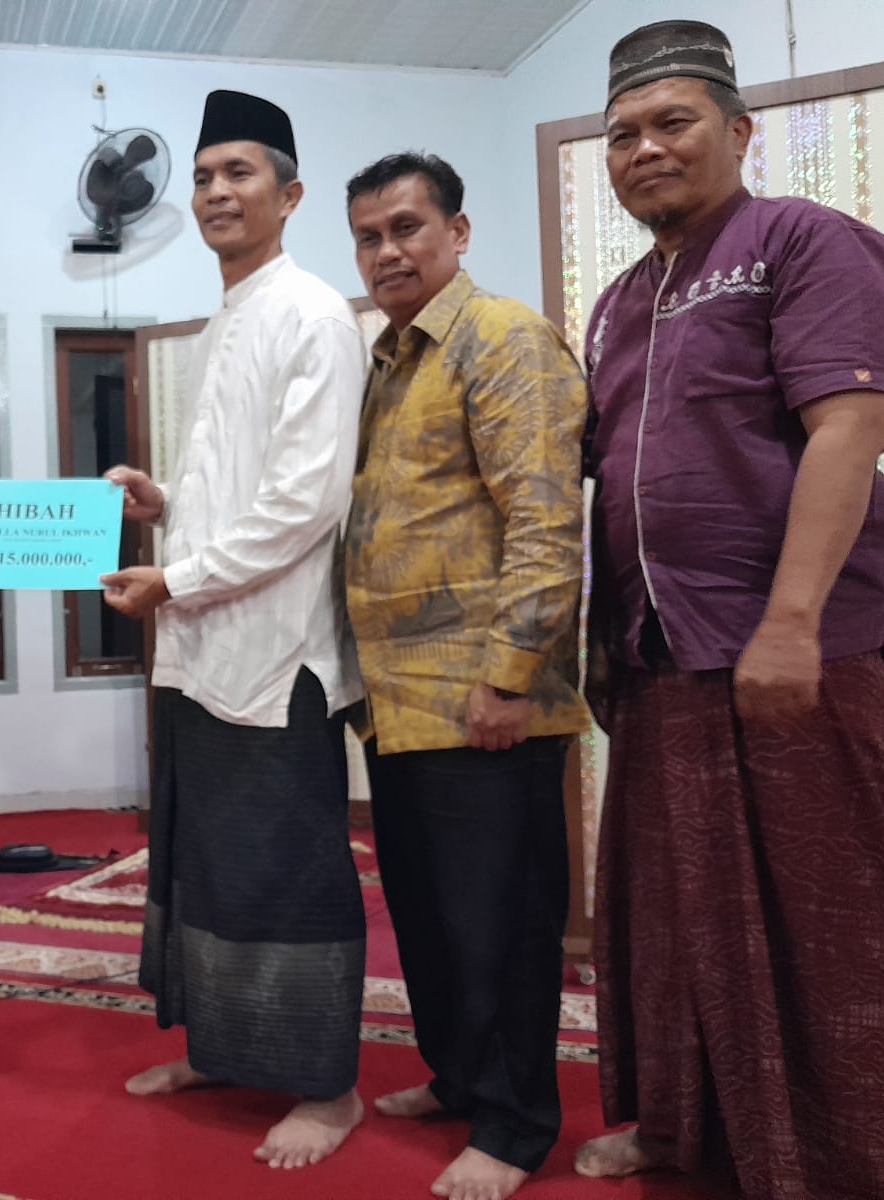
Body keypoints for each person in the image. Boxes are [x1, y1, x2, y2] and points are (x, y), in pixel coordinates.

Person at [575, 21, 884, 1200]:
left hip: (789, 644)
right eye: (622, 133)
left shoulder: (805, 242)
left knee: (818, 919)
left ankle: (831, 1167)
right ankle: (683, 1130)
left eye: (671, 122)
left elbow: (848, 429)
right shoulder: (618, 302)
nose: (644, 149)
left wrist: (789, 620)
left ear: (737, 129)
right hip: (657, 650)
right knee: (672, 918)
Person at [100, 89, 369, 1170]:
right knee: (206, 860)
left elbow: (306, 504)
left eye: (238, 173)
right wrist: (163, 505)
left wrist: (176, 578)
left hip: (274, 656)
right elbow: (236, 488)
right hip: (201, 645)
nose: (215, 191)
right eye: (205, 175)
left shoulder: (313, 315)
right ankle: (222, 1049)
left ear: (289, 195)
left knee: (286, 870)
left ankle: (329, 1088)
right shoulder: (227, 317)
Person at [342, 151, 590, 1200]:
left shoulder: (502, 338)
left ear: (458, 231)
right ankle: (457, 1077)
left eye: (406, 228)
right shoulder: (390, 359)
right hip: (398, 702)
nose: (387, 252)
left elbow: (545, 518)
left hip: (485, 700)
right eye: (369, 237)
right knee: (433, 918)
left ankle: (516, 1125)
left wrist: (509, 676)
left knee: (503, 929)